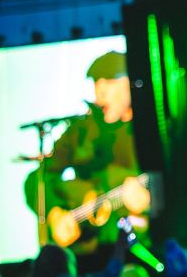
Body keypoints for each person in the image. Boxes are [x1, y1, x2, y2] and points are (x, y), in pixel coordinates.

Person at [25, 52, 151, 252]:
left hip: (139, 251)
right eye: (95, 82)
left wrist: (149, 202)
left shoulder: (150, 128)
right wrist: (54, 212)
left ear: (131, 82)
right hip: (88, 253)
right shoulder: (81, 130)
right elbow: (35, 180)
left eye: (109, 80)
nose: (99, 91)